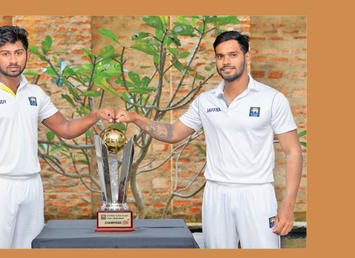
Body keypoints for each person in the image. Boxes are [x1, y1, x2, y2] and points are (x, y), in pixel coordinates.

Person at [115, 31, 303, 248]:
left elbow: (293, 152)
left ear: (246, 57)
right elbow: (173, 133)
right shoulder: (205, 101)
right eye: (220, 56)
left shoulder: (272, 99)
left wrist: (288, 206)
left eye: (232, 55)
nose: (226, 62)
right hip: (216, 193)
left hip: (257, 193)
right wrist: (136, 118)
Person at [0, 25, 114, 248]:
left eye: (18, 53)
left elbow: (66, 128)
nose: (13, 60)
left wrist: (95, 115)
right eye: (6, 53)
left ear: (26, 54)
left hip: (31, 185)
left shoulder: (35, 94)